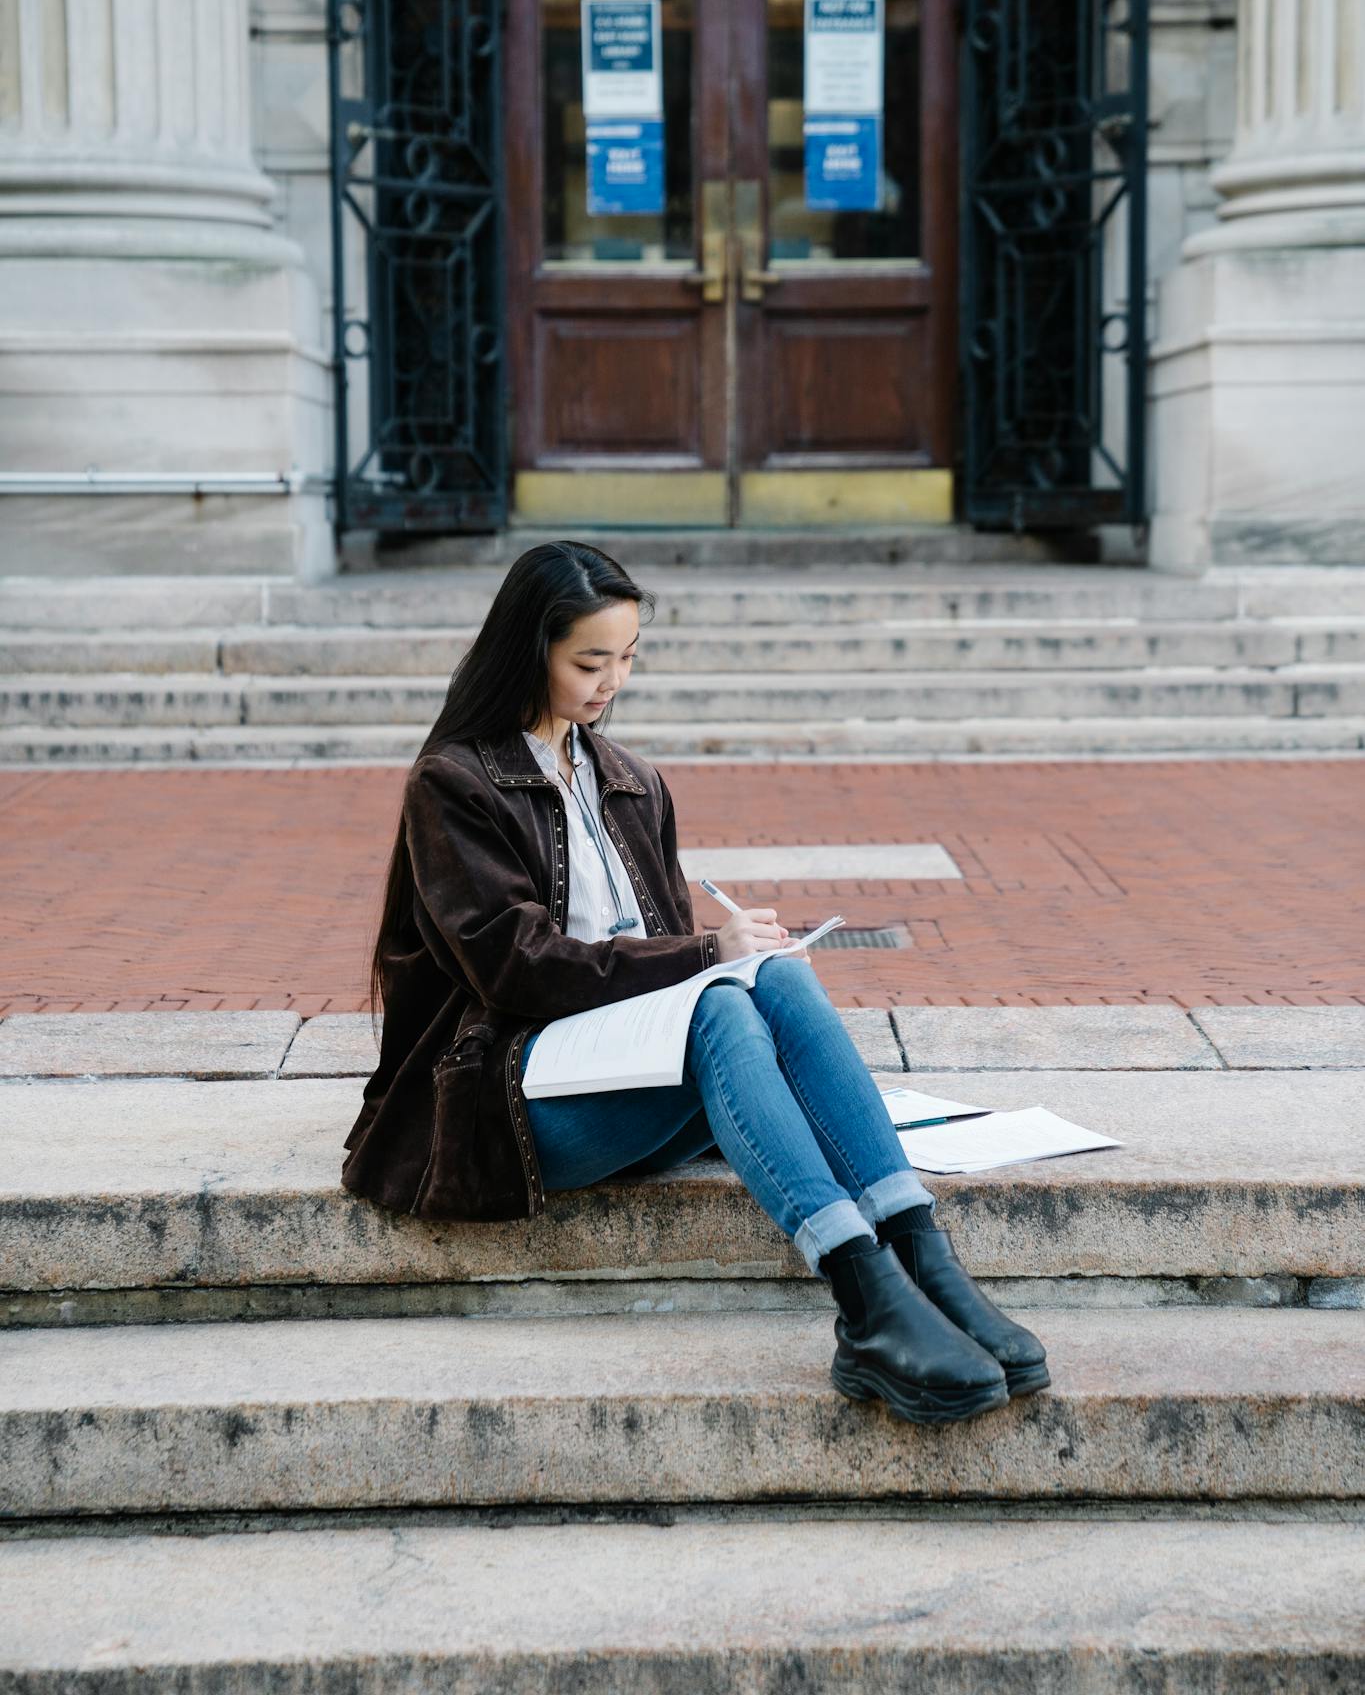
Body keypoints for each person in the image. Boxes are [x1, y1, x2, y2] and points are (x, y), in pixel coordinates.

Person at [342, 540, 1049, 1424]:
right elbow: (512, 964)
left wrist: (730, 953)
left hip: (628, 1072)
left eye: (628, 657)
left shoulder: (631, 781)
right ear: (529, 650)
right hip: (507, 1096)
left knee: (778, 982)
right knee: (718, 996)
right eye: (588, 661)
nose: (612, 682)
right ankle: (863, 1297)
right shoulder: (454, 786)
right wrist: (706, 957)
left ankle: (921, 1256)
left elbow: (670, 947)